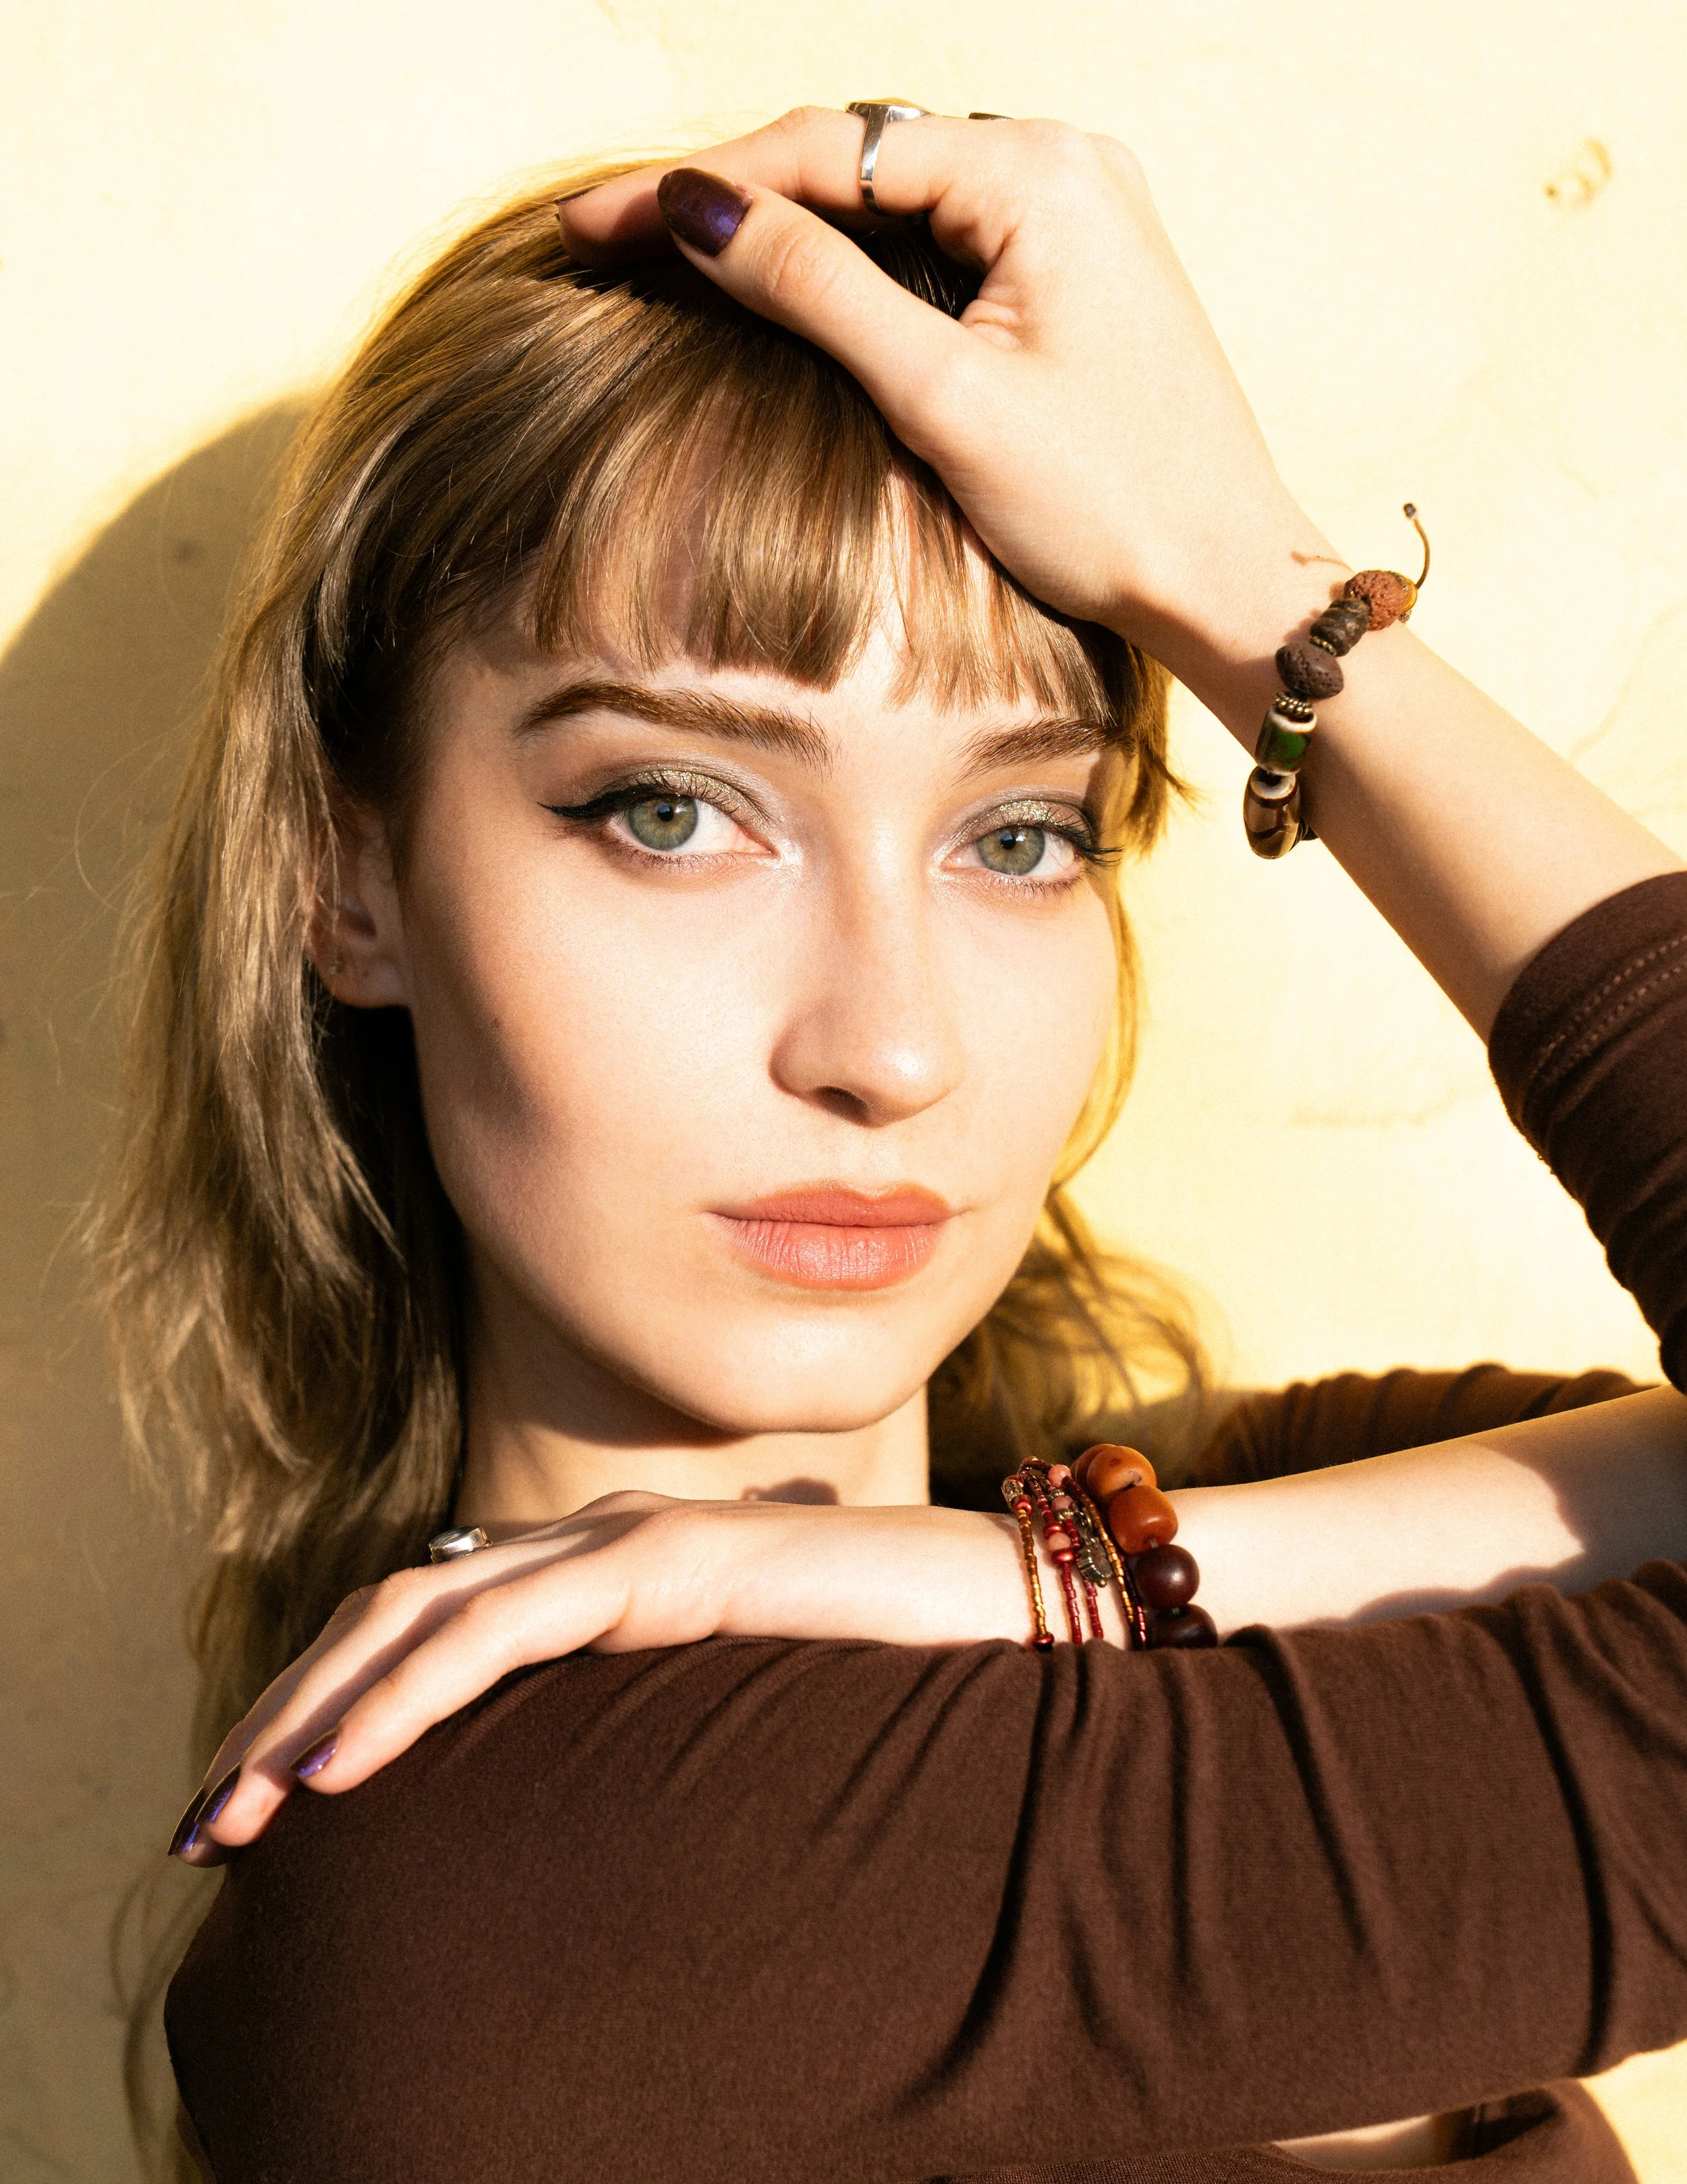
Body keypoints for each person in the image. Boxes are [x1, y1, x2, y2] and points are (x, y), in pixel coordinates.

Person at [109, 109, 1687, 2181]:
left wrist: (996, 1583)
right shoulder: (490, 1894)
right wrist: (1245, 588)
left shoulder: (1153, 1533)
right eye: (671, 808)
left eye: (1015, 834)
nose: (892, 1043)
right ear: (350, 876)